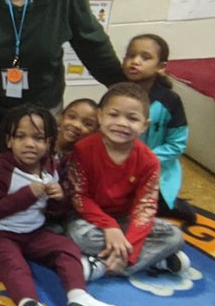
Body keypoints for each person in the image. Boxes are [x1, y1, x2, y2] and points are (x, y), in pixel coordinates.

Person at [0, 105, 125, 306]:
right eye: (21, 136)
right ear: (9, 141)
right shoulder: (2, 167)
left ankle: (79, 299)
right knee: (14, 267)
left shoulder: (49, 165)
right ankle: (29, 305)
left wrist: (59, 198)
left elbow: (54, 211)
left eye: (38, 138)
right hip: (0, 234)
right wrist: (28, 193)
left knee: (67, 249)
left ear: (49, 142)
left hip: (35, 231)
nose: (30, 144)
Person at [67, 83, 189, 279]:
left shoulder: (149, 161)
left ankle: (103, 265)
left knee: (174, 236)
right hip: (91, 220)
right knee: (79, 236)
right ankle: (156, 259)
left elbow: (145, 208)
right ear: (100, 116)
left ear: (144, 125)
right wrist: (109, 227)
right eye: (113, 115)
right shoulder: (83, 149)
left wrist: (129, 242)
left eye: (132, 118)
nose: (122, 123)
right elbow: (80, 197)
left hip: (126, 220)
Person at [123, 35, 195, 224]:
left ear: (161, 67)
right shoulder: (116, 95)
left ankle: (171, 205)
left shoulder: (170, 101)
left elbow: (176, 145)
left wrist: (143, 160)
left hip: (156, 173)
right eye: (130, 56)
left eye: (145, 57)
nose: (135, 61)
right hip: (119, 168)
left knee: (143, 210)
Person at [55, 98, 99, 165]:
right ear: (61, 117)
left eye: (87, 124)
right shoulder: (43, 143)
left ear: (96, 131)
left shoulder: (86, 160)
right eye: (72, 117)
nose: (76, 125)